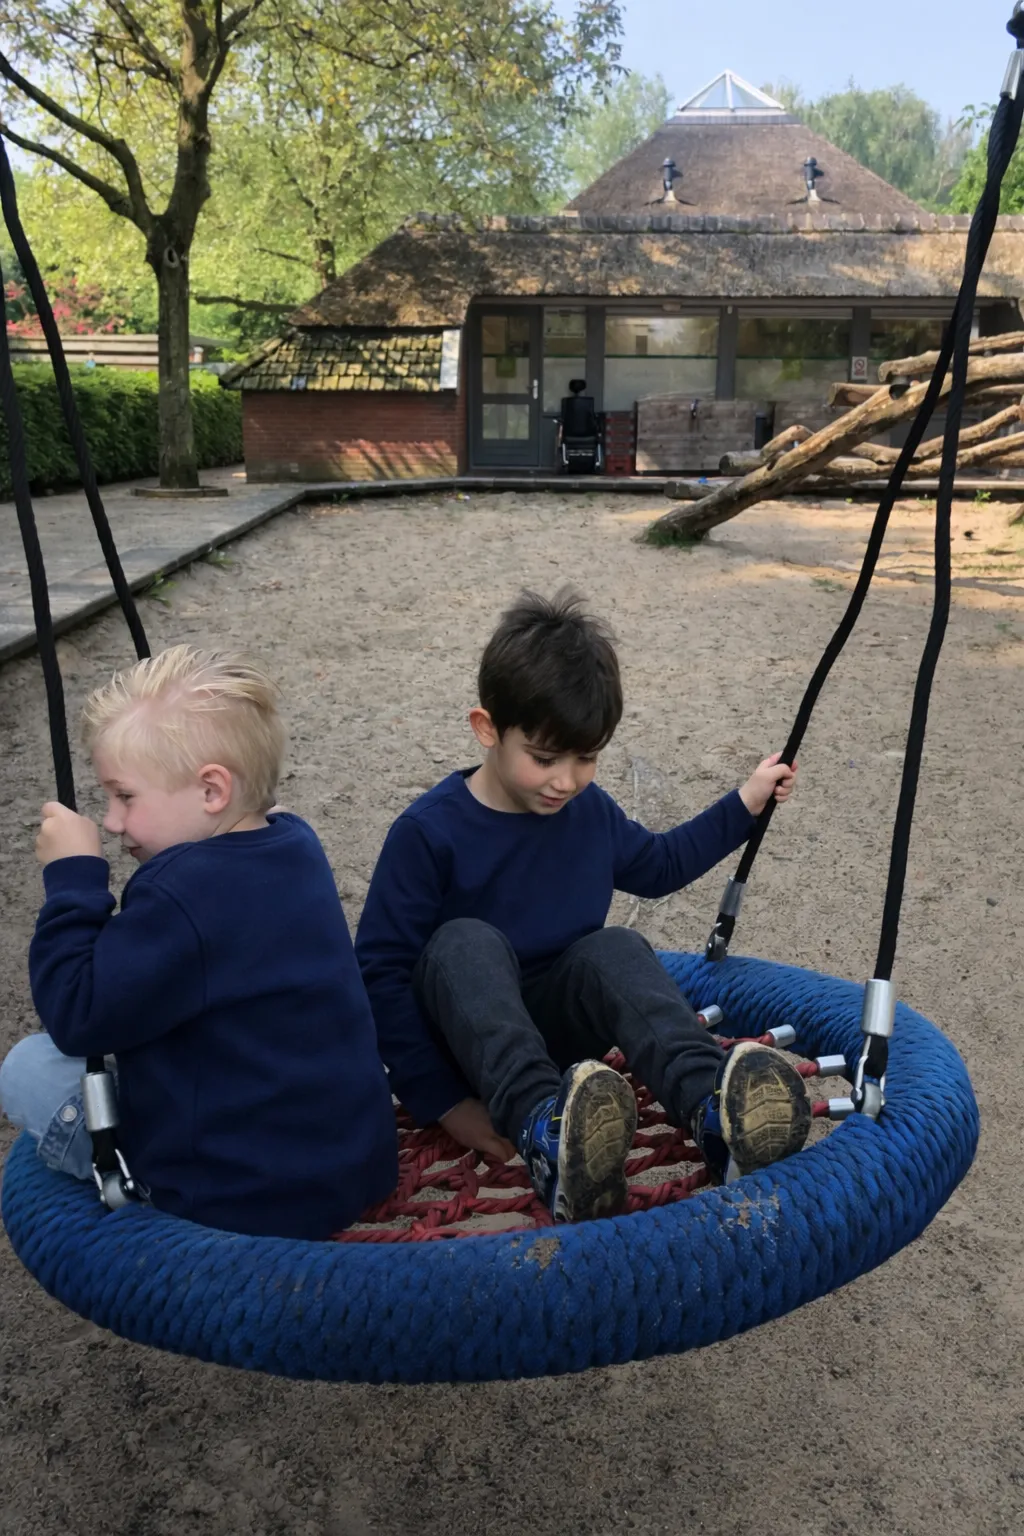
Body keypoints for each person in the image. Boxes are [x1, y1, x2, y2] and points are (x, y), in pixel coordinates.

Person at [356, 588, 810, 1224]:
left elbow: (658, 866)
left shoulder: (585, 811)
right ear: (487, 728)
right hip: (469, 1035)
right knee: (465, 939)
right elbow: (377, 971)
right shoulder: (430, 832)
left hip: (558, 1030)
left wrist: (746, 802)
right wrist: (444, 1101)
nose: (565, 780)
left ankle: (713, 1108)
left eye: (587, 757)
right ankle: (548, 1134)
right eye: (544, 758)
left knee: (613, 947)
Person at [0, 645, 397, 1240]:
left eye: (124, 796)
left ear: (213, 791)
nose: (110, 822)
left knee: (30, 1066)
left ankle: (131, 1184)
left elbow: (78, 1016)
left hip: (233, 1199)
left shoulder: (182, 893)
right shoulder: (295, 842)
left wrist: (73, 881)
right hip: (352, 1166)